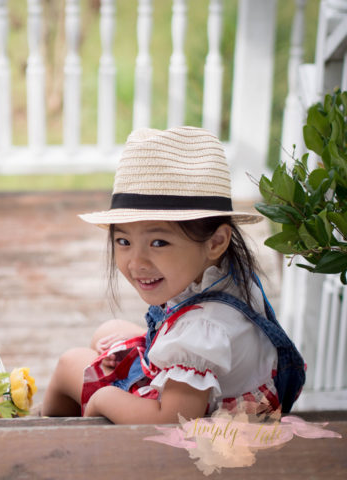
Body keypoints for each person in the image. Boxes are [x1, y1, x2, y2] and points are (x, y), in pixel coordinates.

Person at [42, 126, 305, 424]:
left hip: (204, 425)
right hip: (206, 390)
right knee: (108, 331)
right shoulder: (222, 273)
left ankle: (55, 430)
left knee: (70, 364)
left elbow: (172, 419)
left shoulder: (200, 331)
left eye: (158, 243)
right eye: (124, 241)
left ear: (216, 242)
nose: (136, 262)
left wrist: (104, 400)